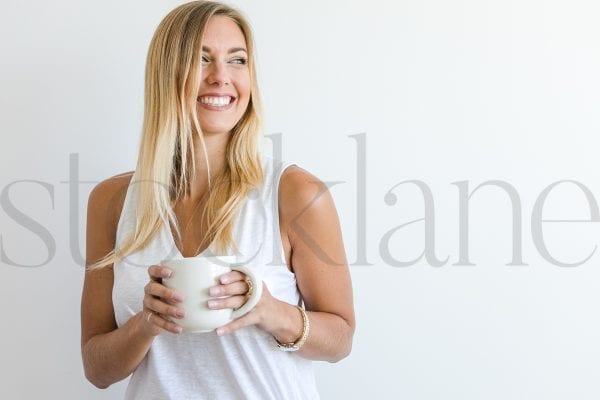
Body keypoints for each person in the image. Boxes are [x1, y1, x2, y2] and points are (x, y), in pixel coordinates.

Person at [80, 1, 355, 399]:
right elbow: (97, 369)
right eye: (201, 59)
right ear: (166, 74)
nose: (221, 77)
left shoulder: (296, 194)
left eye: (237, 60)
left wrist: (267, 310)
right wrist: (147, 324)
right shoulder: (111, 201)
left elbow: (341, 339)